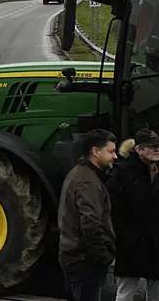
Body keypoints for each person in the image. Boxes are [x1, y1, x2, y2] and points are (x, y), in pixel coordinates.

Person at [107, 129, 159, 300]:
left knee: (157, 292)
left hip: (158, 245)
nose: (158, 150)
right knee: (125, 292)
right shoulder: (122, 173)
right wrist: (127, 238)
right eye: (152, 146)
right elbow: (113, 210)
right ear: (139, 149)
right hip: (132, 246)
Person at [58, 129, 118, 301]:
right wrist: (103, 258)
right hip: (85, 263)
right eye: (111, 151)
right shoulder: (88, 182)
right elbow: (90, 226)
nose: (115, 157)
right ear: (95, 151)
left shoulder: (79, 173)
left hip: (75, 259)